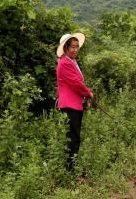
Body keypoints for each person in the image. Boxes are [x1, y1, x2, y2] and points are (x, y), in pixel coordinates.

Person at [56, 32, 93, 171]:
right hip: (70, 105)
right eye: (72, 47)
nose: (75, 49)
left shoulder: (71, 61)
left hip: (74, 104)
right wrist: (88, 93)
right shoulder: (65, 63)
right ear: (66, 47)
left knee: (73, 137)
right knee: (73, 138)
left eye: (77, 46)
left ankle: (70, 168)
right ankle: (70, 171)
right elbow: (76, 83)